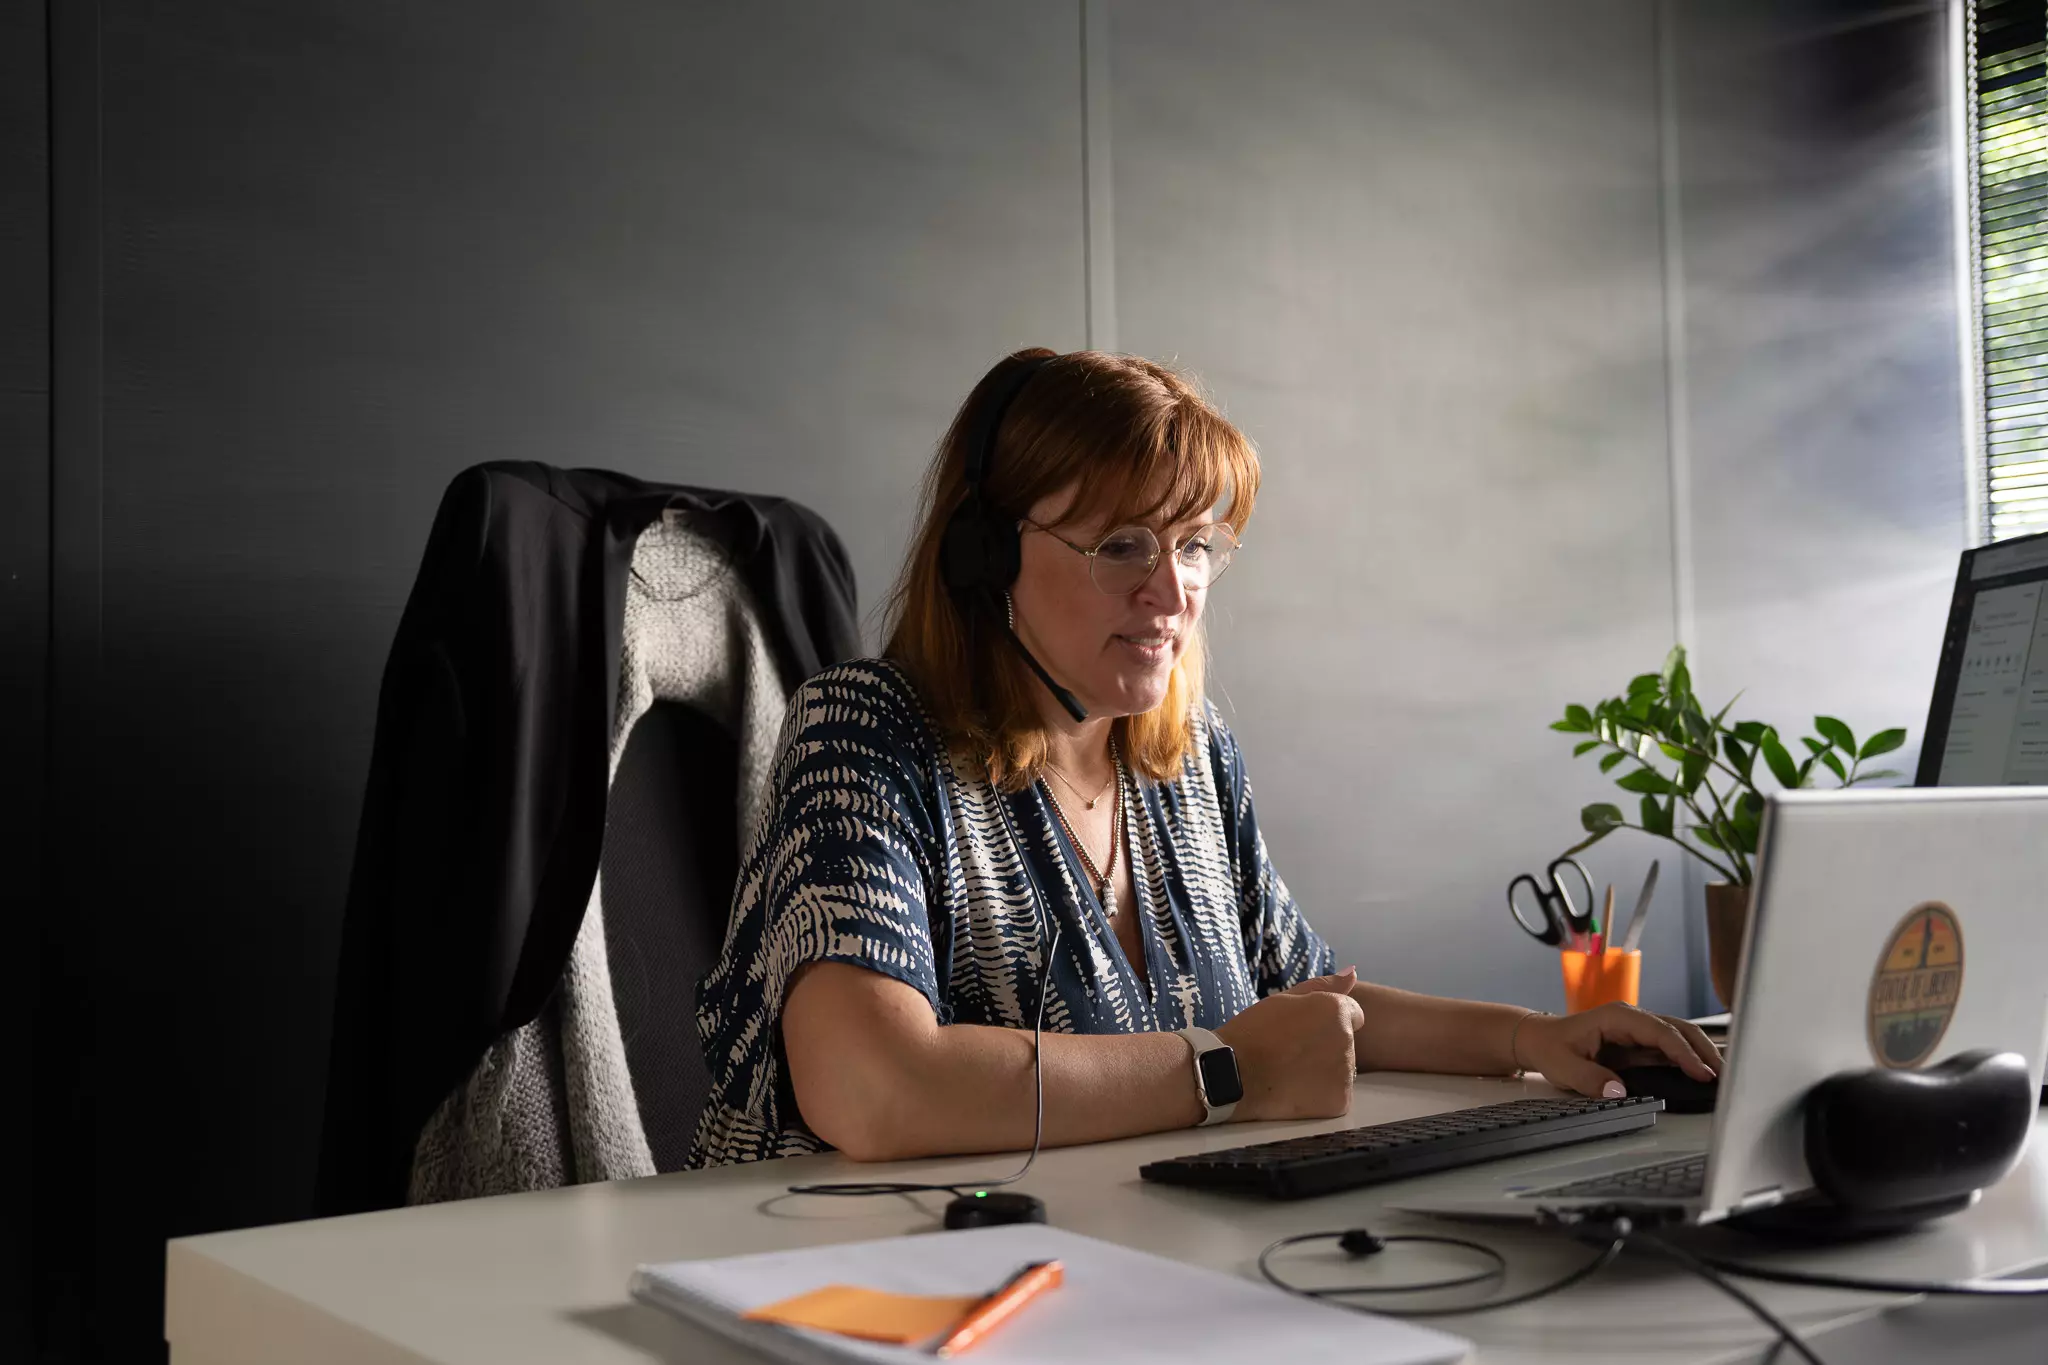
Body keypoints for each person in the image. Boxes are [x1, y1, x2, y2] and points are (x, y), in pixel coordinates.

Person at [687, 348, 1718, 1168]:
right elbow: (874, 1087)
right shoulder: (867, 731)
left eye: (1194, 547)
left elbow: (1308, 1003)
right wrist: (1224, 1074)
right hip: (874, 1295)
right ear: (985, 557)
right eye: (1123, 544)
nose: (1172, 592)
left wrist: (1528, 1041)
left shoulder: (1183, 760)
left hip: (1126, 1259)